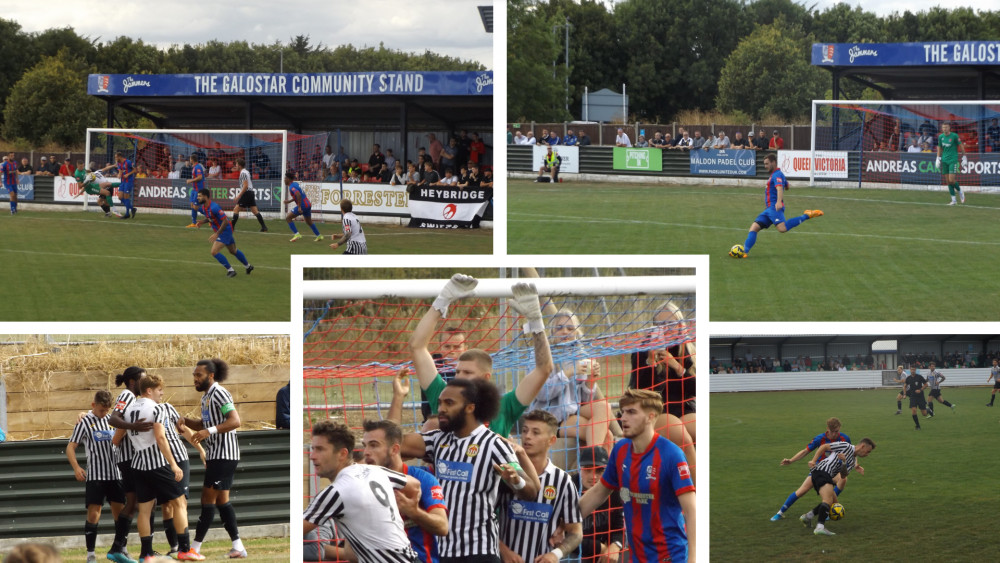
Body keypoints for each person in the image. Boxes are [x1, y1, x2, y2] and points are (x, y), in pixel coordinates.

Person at [397, 378, 541, 563]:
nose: (441, 409)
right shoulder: (439, 440)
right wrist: (399, 398)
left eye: (449, 403)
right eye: (440, 403)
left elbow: (530, 491)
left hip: (479, 552)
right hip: (444, 552)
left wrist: (516, 480)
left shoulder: (494, 444)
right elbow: (394, 444)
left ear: (470, 408)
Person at [394, 274, 554, 438]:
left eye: (467, 373)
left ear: (485, 377)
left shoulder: (504, 406)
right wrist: (443, 300)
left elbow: (544, 369)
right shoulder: (444, 397)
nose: (459, 377)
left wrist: (535, 322)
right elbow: (417, 347)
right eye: (457, 372)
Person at [578, 389, 695, 563]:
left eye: (632, 412)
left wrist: (694, 559)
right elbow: (598, 492)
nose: (623, 418)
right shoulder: (620, 450)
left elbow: (692, 510)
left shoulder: (672, 455)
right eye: (623, 412)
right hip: (637, 556)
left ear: (650, 417)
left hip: (670, 557)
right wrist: (565, 521)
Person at [304, 420, 422, 563]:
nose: (312, 456)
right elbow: (414, 485)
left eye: (320, 449)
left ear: (342, 454)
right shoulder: (374, 470)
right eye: (313, 449)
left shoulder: (336, 492)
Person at [113, 374, 202, 561]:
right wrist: (173, 464)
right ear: (149, 390)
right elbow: (161, 438)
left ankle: (146, 554)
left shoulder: (129, 409)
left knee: (144, 510)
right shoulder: (156, 408)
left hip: (138, 464)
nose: (162, 393)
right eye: (159, 390)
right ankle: (185, 549)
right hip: (157, 462)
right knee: (179, 503)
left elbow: (116, 438)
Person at [183, 359, 247, 559]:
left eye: (198, 375)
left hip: (224, 455)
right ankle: (238, 547)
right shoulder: (206, 398)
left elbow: (235, 421)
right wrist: (184, 421)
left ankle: (195, 548)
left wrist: (208, 431)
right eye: (194, 375)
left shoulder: (220, 393)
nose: (195, 379)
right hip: (216, 455)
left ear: (210, 375)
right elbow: (203, 423)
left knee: (207, 499)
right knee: (221, 501)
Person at [361, 419, 448, 563]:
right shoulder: (362, 483)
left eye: (374, 445)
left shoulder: (422, 479)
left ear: (395, 449)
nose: (366, 452)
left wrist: (414, 512)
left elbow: (442, 526)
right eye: (365, 446)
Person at [67, 391, 130, 563]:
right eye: (101, 410)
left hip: (115, 474)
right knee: (94, 514)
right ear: (93, 405)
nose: (104, 413)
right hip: (96, 475)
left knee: (121, 514)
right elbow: (70, 447)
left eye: (107, 410)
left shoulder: (113, 421)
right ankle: (91, 555)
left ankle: (121, 549)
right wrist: (76, 467)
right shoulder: (85, 421)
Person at [735, 153, 823, 258]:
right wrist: (785, 185)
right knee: (754, 228)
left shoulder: (777, 174)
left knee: (782, 228)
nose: (765, 166)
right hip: (768, 210)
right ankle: (744, 252)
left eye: (767, 164)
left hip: (774, 207)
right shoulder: (777, 175)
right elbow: (786, 186)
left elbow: (779, 188)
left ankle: (806, 215)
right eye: (764, 164)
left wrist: (778, 201)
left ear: (773, 162)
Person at [107, 367, 152, 562]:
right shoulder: (127, 394)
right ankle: (122, 549)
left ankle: (122, 548)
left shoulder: (139, 399)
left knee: (140, 503)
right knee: (139, 502)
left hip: (134, 458)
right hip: (128, 458)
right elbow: (113, 418)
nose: (147, 381)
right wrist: (133, 426)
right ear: (133, 382)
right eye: (143, 378)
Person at [769, 417, 850, 521]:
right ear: (827, 429)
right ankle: (780, 513)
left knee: (843, 479)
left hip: (833, 470)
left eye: (837, 431)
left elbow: (850, 452)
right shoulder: (819, 439)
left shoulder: (844, 438)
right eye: (833, 432)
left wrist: (856, 464)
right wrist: (791, 460)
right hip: (819, 470)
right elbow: (805, 451)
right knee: (802, 491)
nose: (835, 434)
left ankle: (830, 508)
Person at [799, 438, 876, 536]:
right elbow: (824, 446)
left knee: (832, 502)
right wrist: (813, 461)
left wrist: (844, 462)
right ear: (862, 446)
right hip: (822, 471)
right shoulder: (845, 446)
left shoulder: (852, 461)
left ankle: (807, 517)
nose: (867, 454)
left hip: (826, 476)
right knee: (827, 500)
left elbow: (843, 476)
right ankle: (819, 527)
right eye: (867, 451)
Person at [572, 447, 623, 563]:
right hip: (574, 553)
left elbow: (619, 526)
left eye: (599, 470)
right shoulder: (568, 487)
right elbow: (563, 536)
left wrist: (615, 545)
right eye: (588, 470)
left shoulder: (614, 489)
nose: (593, 477)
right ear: (579, 469)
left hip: (603, 555)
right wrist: (599, 548)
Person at [194, 188, 253, 278]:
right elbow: (211, 217)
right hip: (223, 230)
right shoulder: (204, 208)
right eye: (198, 196)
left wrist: (217, 233)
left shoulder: (214, 207)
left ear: (206, 197)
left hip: (225, 230)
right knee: (233, 251)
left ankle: (231, 271)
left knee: (214, 252)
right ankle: (248, 266)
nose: (198, 198)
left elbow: (225, 221)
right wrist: (202, 222)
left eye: (200, 196)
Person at [229, 157, 268, 232]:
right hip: (250, 193)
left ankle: (231, 227)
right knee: (255, 211)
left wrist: (239, 195)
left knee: (236, 209)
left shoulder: (243, 173)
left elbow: (245, 186)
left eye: (236, 164)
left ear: (240, 165)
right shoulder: (245, 171)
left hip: (247, 193)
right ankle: (264, 227)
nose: (235, 165)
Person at [283, 171, 322, 242]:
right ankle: (319, 236)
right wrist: (288, 201)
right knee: (308, 221)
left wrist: (299, 207)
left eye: (285, 178)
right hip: (308, 204)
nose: (284, 180)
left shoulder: (291, 187)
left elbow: (298, 195)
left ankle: (297, 234)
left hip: (303, 205)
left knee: (288, 218)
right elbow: (298, 195)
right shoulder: (295, 184)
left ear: (288, 179)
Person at [936, 122, 967, 205]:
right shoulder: (941, 137)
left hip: (953, 160)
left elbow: (961, 146)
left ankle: (960, 191)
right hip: (944, 160)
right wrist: (938, 158)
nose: (944, 129)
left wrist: (964, 157)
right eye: (943, 127)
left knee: (951, 180)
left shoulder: (954, 136)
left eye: (946, 127)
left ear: (949, 128)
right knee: (948, 181)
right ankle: (953, 200)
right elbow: (939, 147)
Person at [905, 365, 931, 430]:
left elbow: (926, 384)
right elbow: (904, 386)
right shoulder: (908, 378)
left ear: (915, 370)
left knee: (924, 414)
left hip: (920, 397)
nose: (912, 371)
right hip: (913, 397)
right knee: (914, 411)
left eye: (913, 369)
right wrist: (904, 394)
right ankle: (918, 426)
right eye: (911, 369)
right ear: (910, 370)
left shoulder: (919, 377)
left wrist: (920, 390)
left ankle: (928, 410)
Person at [184, 155, 206, 228]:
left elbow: (200, 177)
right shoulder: (194, 167)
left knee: (195, 207)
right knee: (192, 205)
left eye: (190, 159)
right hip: (194, 189)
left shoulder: (198, 167)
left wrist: (191, 180)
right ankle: (193, 223)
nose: (189, 160)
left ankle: (210, 216)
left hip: (198, 190)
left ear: (192, 159)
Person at [115, 151, 137, 220]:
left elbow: (134, 170)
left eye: (116, 157)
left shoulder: (128, 162)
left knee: (126, 197)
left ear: (120, 157)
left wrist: (128, 174)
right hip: (123, 182)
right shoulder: (118, 163)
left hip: (129, 182)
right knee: (120, 197)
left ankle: (127, 214)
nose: (115, 158)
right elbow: (120, 171)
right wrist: (119, 174)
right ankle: (132, 209)